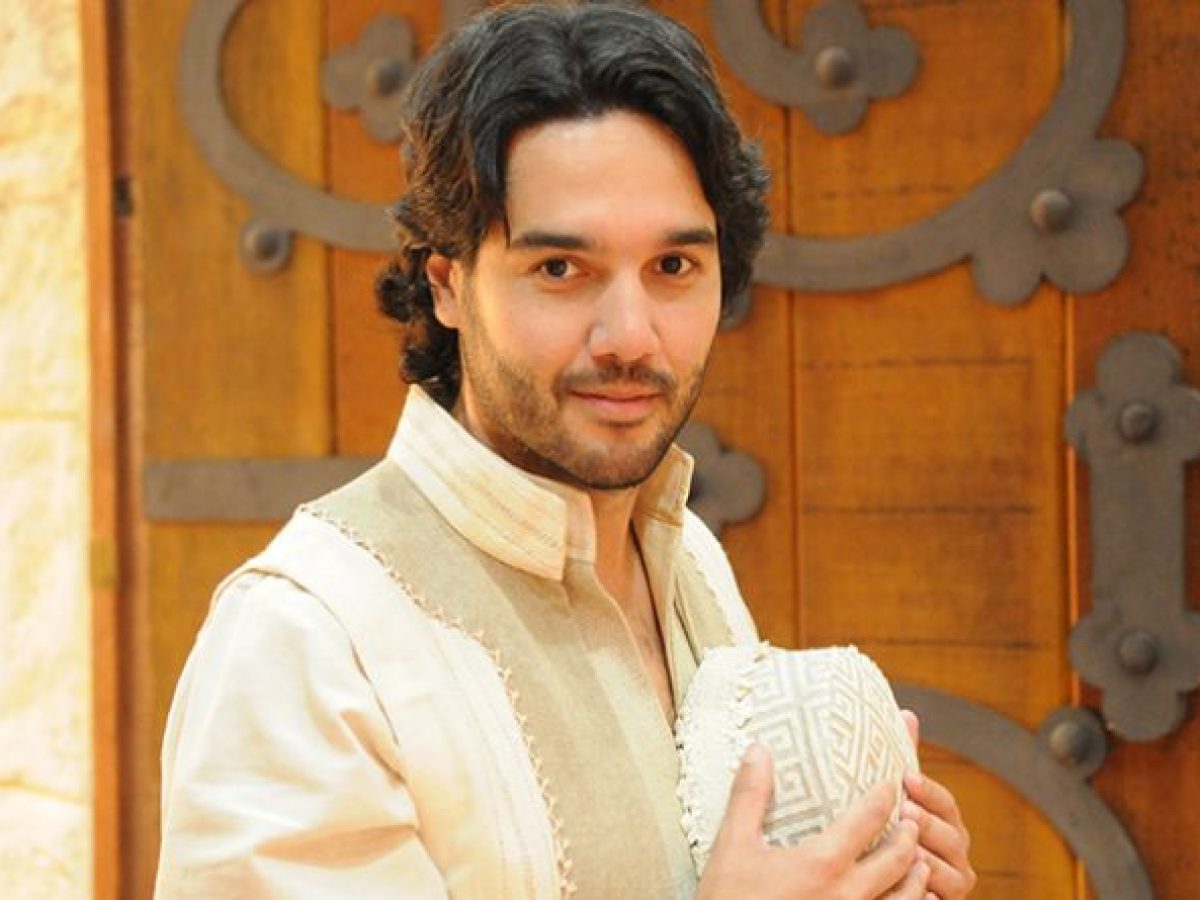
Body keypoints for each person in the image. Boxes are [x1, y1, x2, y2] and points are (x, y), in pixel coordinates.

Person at [155, 3, 975, 898]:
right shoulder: (307, 639)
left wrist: (887, 869)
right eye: (560, 269)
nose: (631, 337)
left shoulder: (690, 561)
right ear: (447, 284)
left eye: (673, 268)